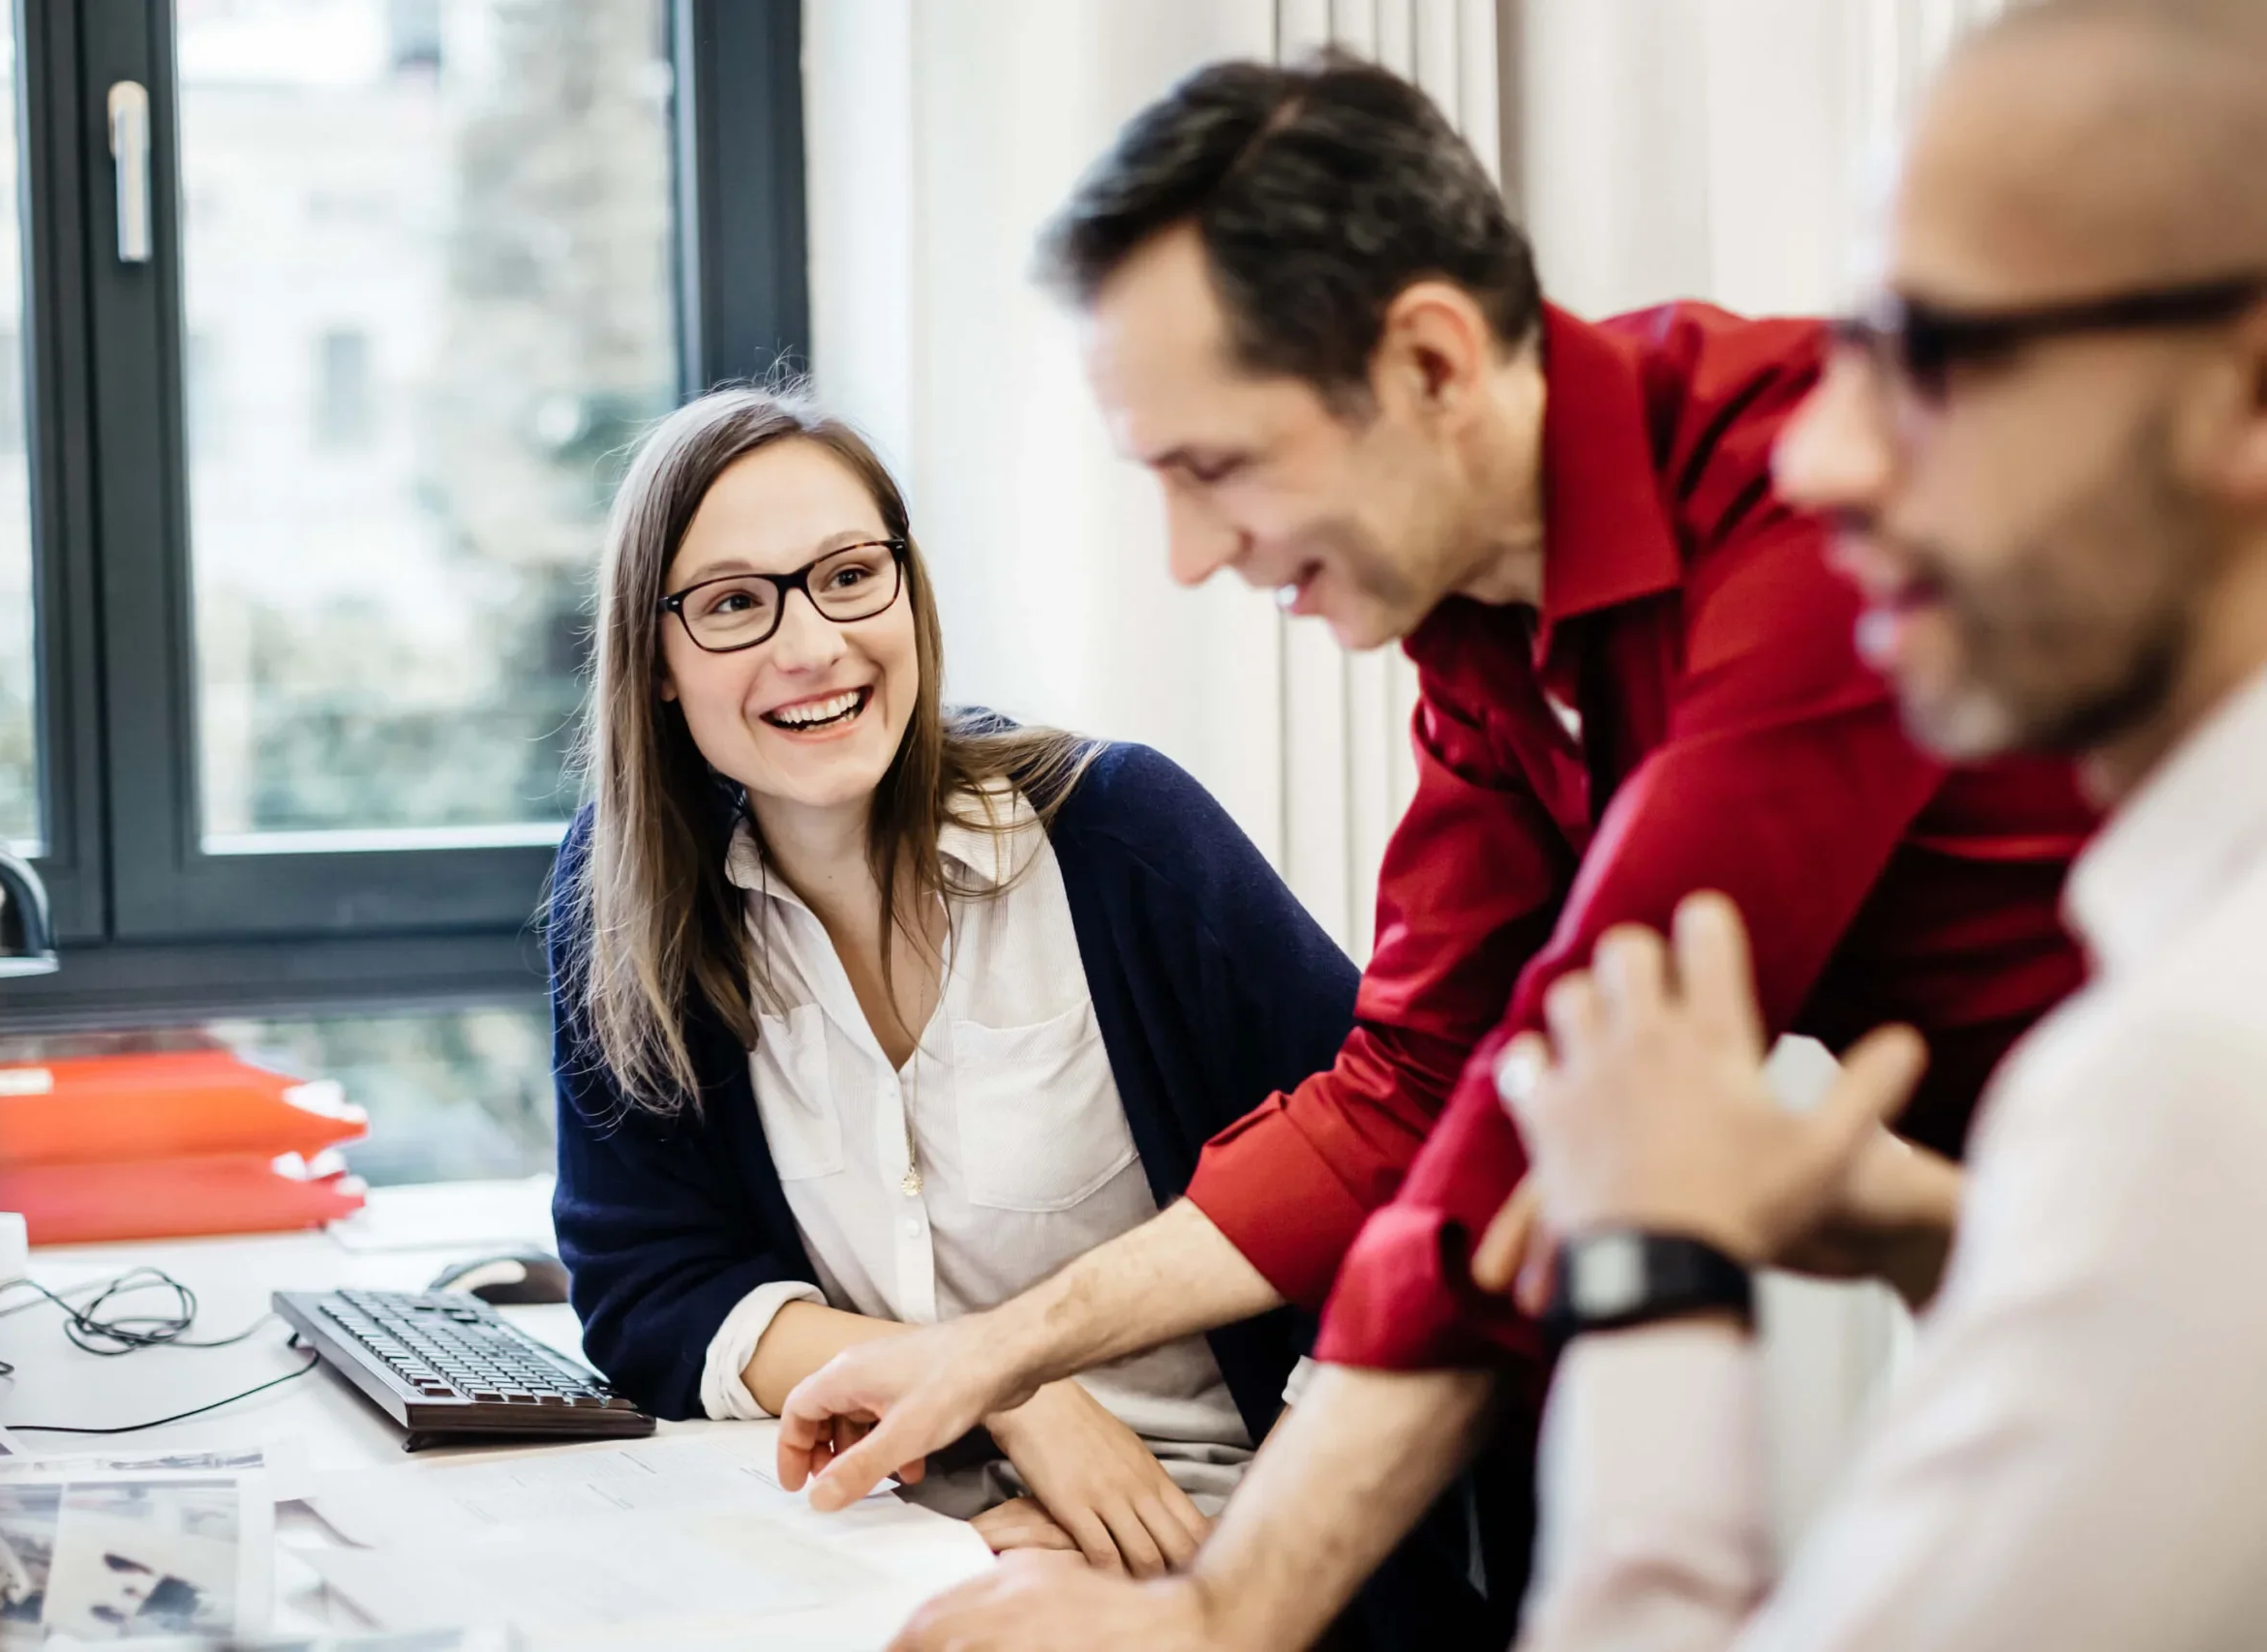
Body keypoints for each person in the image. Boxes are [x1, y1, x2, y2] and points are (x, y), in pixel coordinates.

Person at [773, 51, 2101, 1652]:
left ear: (1430, 361)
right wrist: (994, 1352)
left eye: (1219, 468)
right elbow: (1407, 1082)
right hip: (2053, 1250)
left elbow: (1524, 1123)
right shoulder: (1485, 632)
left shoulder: (1801, 510)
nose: (1196, 558)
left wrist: (1222, 1616)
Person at [1481, 1, 2267, 1645]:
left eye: (1929, 355)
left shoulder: (2193, 1079)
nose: (1826, 462)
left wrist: (1652, 1264)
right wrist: (1954, 1238)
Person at [546, 386, 1438, 1612]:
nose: (809, 646)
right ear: (655, 661)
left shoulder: (1121, 835)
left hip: (1227, 1549)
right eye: (734, 605)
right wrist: (1002, 1390)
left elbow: (1402, 1184)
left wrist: (1248, 1569)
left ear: (908, 591)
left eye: (851, 574)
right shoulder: (635, 892)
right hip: (904, 1542)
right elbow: (644, 1280)